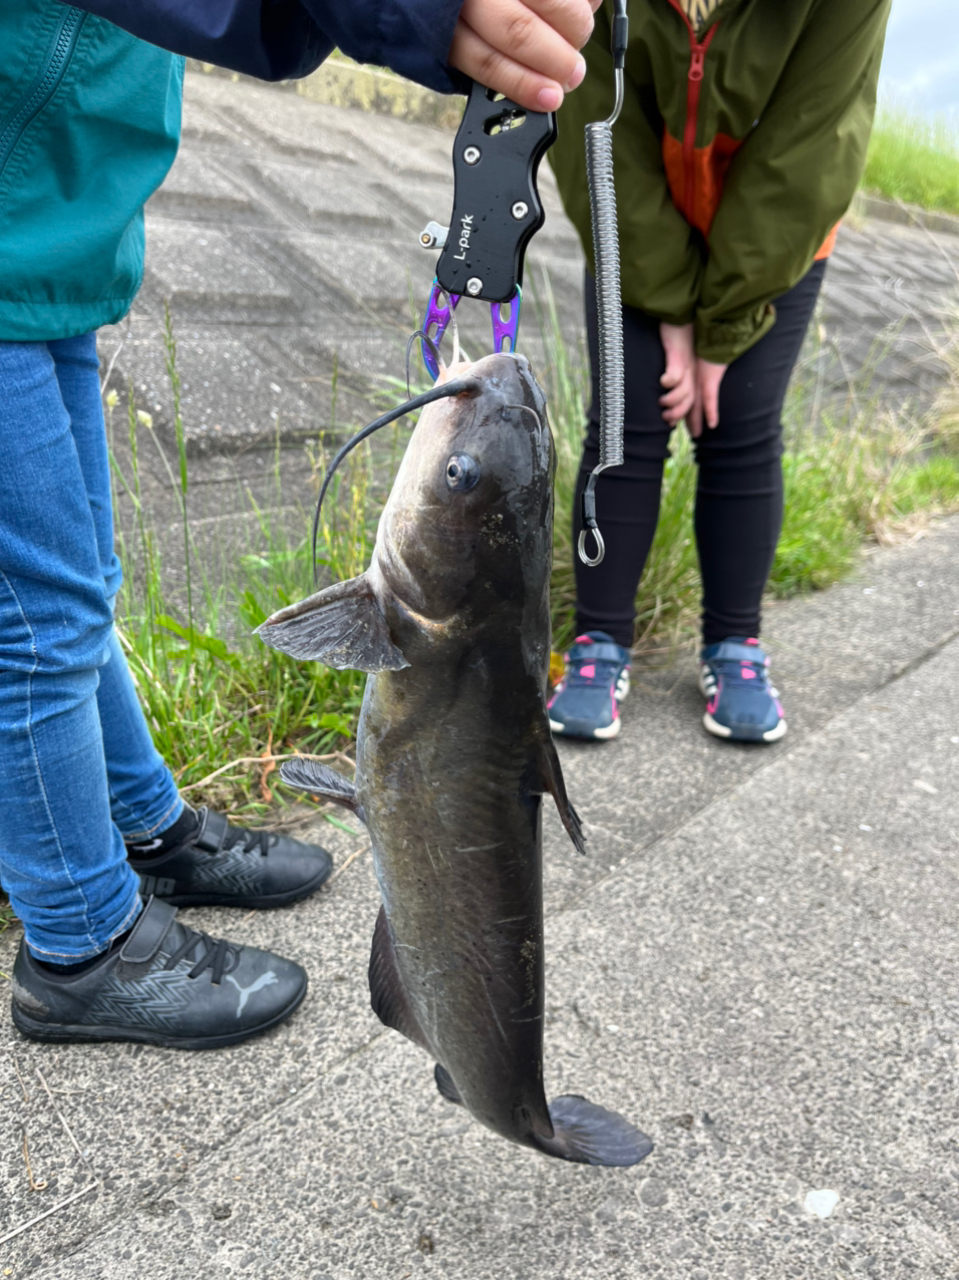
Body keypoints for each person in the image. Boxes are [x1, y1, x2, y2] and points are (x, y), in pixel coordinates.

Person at [1, 0, 599, 1048]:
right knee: (29, 623)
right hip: (25, 192)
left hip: (47, 218)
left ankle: (145, 824)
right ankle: (78, 941)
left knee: (74, 588)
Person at [546, 0, 891, 743]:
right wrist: (668, 306)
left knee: (738, 424)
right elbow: (594, 120)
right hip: (633, 211)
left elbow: (807, 150)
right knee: (625, 422)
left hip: (779, 230)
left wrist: (720, 333)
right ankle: (596, 641)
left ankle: (734, 643)